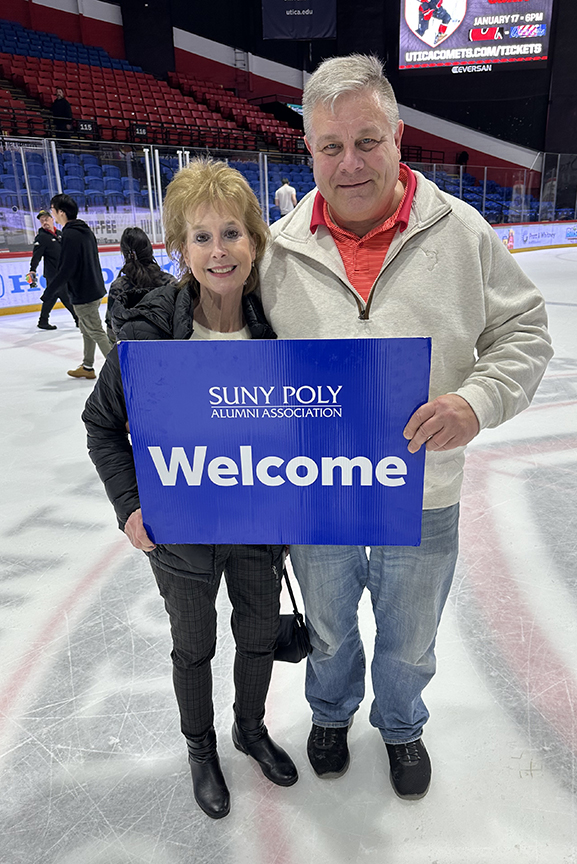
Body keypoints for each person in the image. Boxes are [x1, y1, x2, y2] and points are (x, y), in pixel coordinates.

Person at [259, 55, 553, 801]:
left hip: (422, 487)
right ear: (309, 151)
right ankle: (330, 713)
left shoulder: (460, 230)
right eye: (330, 146)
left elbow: (525, 331)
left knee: (410, 633)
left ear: (398, 136)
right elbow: (227, 351)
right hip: (317, 489)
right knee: (326, 625)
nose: (349, 162)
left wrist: (476, 401)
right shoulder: (278, 248)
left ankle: (400, 725)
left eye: (367, 141)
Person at [81, 159, 298, 820]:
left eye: (231, 232)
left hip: (261, 524)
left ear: (254, 241)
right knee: (194, 648)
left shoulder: (282, 327)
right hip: (182, 532)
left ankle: (250, 729)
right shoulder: (147, 333)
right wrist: (129, 507)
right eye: (200, 237)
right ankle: (201, 749)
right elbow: (102, 426)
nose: (218, 250)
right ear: (180, 247)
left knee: (259, 636)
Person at [46, 194, 112, 379]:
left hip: (84, 292)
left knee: (96, 331)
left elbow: (67, 267)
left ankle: (119, 370)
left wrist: (49, 291)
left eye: (53, 210)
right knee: (87, 329)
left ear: (61, 212)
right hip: (93, 288)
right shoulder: (84, 230)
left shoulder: (70, 234)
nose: (52, 214)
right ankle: (88, 366)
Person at [106, 226, 177, 345]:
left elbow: (111, 327)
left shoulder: (119, 287)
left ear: (124, 253)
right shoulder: (169, 282)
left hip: (133, 353)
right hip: (168, 349)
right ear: (149, 250)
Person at [28, 208, 78, 331]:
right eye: (41, 221)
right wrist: (32, 270)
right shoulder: (41, 237)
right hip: (53, 274)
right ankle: (78, 319)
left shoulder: (60, 234)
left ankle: (43, 321)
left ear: (52, 219)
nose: (44, 222)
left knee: (52, 297)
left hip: (64, 272)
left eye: (46, 219)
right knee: (65, 295)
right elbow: (36, 256)